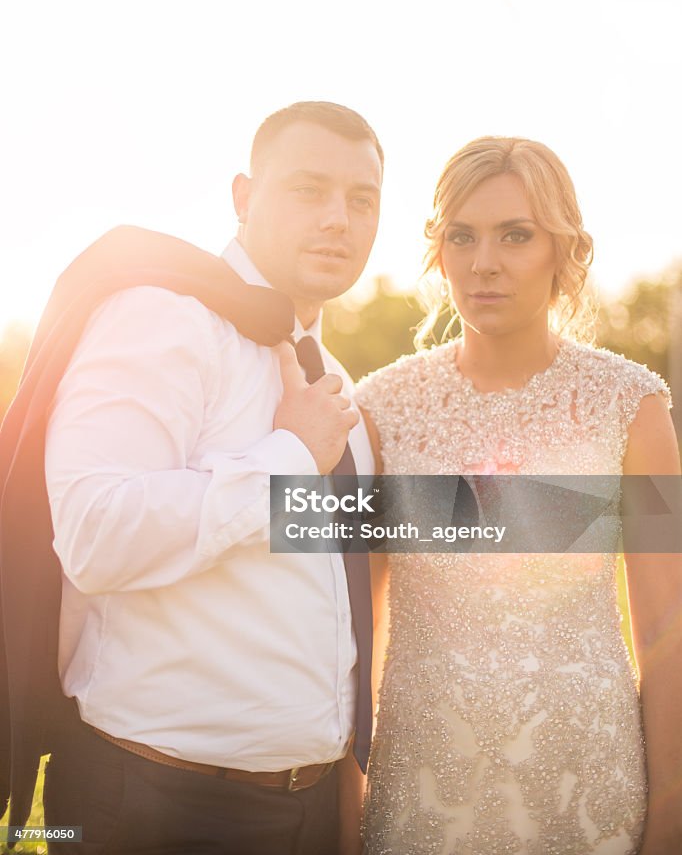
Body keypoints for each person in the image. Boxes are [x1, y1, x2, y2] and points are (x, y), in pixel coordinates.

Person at [40, 100, 383, 854]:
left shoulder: (335, 385)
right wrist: (289, 456)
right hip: (160, 806)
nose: (339, 218)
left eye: (362, 199)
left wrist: (622, 513)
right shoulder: (163, 319)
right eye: (309, 189)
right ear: (242, 196)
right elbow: (96, 533)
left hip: (312, 811)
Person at [356, 137, 682, 855]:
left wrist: (671, 812)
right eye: (461, 236)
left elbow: (667, 627)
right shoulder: (378, 410)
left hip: (589, 793)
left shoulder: (633, 407)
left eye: (516, 234)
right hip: (422, 792)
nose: (484, 262)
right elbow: (355, 629)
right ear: (437, 251)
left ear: (564, 250)